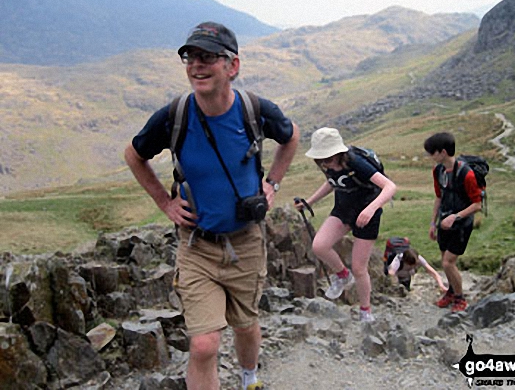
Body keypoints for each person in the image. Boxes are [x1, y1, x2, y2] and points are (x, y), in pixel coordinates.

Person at [124, 22, 299, 390]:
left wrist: (274, 183)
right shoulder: (175, 116)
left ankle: (249, 377)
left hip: (246, 241)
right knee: (204, 344)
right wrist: (164, 202)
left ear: (232, 66)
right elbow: (134, 154)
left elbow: (291, 136)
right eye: (190, 57)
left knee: (246, 324)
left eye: (207, 57)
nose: (196, 66)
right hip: (196, 246)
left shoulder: (255, 110)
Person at [295, 127, 396, 322]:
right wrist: (309, 202)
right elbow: (333, 182)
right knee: (319, 245)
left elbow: (389, 186)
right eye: (322, 160)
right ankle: (342, 275)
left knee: (359, 268)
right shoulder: (328, 165)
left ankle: (365, 311)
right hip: (343, 209)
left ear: (339, 153)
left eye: (329, 159)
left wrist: (371, 209)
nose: (326, 164)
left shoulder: (356, 163)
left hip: (368, 212)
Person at [424, 132, 482, 312]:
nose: (430, 157)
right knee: (444, 260)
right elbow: (439, 197)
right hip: (444, 223)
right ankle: (450, 292)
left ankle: (460, 298)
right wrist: (433, 223)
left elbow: (477, 204)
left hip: (461, 224)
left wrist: (455, 217)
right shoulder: (438, 171)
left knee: (449, 262)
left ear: (442, 152)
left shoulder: (467, 174)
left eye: (431, 153)